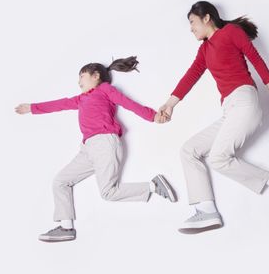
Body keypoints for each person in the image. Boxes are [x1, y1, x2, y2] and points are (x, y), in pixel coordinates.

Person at [159, 1, 269, 234]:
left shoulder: (231, 32)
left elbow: (255, 58)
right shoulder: (204, 49)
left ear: (206, 18)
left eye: (192, 22)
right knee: (188, 150)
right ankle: (206, 209)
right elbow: (190, 76)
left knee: (218, 158)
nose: (191, 28)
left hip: (244, 100)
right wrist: (170, 105)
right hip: (230, 109)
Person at [15, 56, 177, 242]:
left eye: (82, 76)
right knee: (60, 181)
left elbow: (129, 103)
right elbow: (60, 104)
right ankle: (66, 227)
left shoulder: (105, 90)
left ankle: (154, 186)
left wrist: (153, 116)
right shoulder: (81, 99)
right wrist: (32, 108)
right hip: (88, 149)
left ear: (96, 75)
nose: (78, 82)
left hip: (104, 143)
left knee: (108, 193)